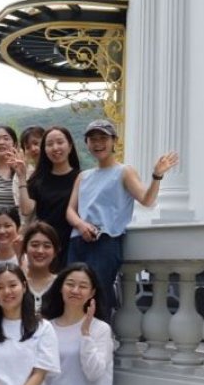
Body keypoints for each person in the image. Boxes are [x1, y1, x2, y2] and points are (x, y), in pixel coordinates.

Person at [66, 118, 179, 319]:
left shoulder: (124, 171)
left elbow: (146, 199)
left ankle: (99, 344)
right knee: (72, 295)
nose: (98, 143)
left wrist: (156, 176)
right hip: (78, 241)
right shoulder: (83, 176)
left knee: (98, 294)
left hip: (105, 242)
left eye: (103, 138)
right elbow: (70, 211)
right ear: (87, 144)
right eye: (93, 139)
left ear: (114, 141)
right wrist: (81, 225)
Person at [14, 126, 80, 259]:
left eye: (60, 142)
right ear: (45, 150)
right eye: (49, 144)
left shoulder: (81, 177)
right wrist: (21, 177)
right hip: (45, 246)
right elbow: (26, 210)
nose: (55, 148)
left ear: (70, 146)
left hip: (73, 243)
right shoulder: (38, 179)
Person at [21, 221, 60, 310]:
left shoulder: (61, 284)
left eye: (47, 246)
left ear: (55, 252)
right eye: (34, 245)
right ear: (25, 249)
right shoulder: (16, 282)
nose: (40, 251)